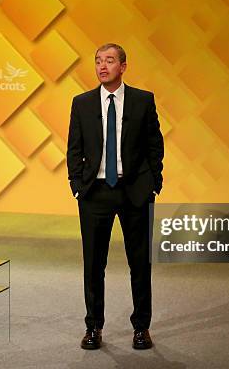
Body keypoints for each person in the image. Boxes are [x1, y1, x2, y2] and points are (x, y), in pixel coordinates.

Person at [67, 43, 164, 350]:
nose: (102, 66)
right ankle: (93, 328)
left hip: (134, 191)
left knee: (140, 263)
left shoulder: (142, 100)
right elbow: (74, 147)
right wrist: (77, 185)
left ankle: (141, 328)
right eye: (97, 61)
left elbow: (154, 145)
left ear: (123, 66)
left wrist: (153, 183)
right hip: (95, 193)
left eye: (109, 60)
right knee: (94, 265)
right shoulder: (81, 103)